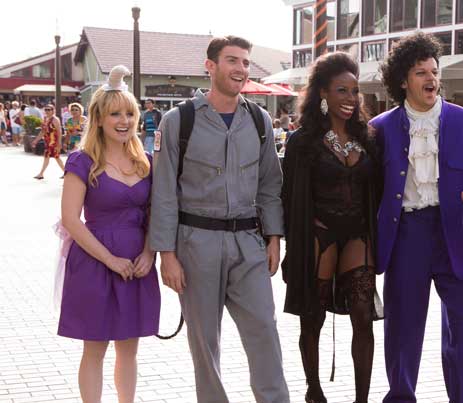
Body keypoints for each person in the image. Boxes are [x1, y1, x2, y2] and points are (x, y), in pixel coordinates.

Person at [149, 36, 289, 403]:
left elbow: (270, 184)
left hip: (248, 241)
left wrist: (274, 237)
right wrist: (166, 254)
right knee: (204, 341)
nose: (241, 69)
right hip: (196, 243)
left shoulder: (259, 120)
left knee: (265, 331)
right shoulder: (179, 121)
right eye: (232, 60)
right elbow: (163, 191)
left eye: (245, 62)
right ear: (210, 66)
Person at [370, 32, 463, 403]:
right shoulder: (379, 130)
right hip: (405, 237)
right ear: (403, 80)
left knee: (462, 330)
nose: (431, 79)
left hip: (453, 233)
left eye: (435, 71)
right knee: (402, 330)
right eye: (421, 72)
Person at [281, 51, 382, 403]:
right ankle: (314, 389)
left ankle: (361, 400)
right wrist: (289, 248)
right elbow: (288, 197)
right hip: (317, 232)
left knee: (363, 316)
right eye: (342, 90)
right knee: (313, 317)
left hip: (357, 233)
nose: (351, 98)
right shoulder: (303, 141)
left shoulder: (367, 138)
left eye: (355, 91)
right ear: (323, 92)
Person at [58, 65, 160, 403]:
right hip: (94, 262)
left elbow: (154, 214)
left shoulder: (146, 162)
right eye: (115, 114)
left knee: (129, 349)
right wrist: (111, 260)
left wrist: (149, 253)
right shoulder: (81, 161)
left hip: (137, 264)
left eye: (129, 113)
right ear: (99, 119)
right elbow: (70, 219)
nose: (124, 121)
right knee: (95, 349)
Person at [33, 103, 65, 179]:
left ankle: (65, 172)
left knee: (54, 157)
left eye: (49, 109)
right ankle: (41, 173)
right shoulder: (45, 119)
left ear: (53, 111)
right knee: (50, 157)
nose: (47, 111)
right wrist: (36, 140)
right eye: (46, 109)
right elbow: (42, 131)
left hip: (54, 142)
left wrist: (59, 143)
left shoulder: (55, 119)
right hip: (48, 142)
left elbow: (59, 131)